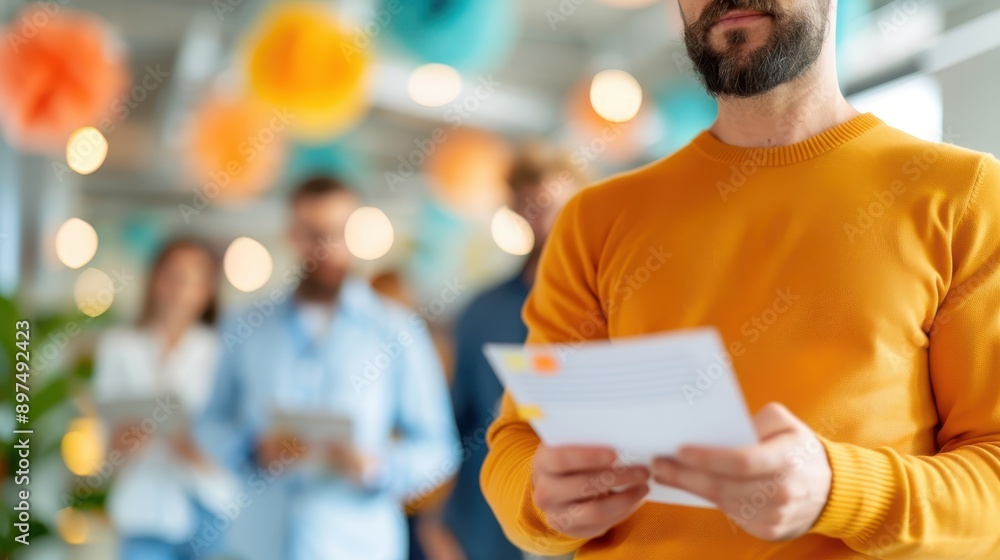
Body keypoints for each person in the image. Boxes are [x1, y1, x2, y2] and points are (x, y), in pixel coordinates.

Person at [481, 1, 1000, 558]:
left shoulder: (963, 197)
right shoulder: (594, 220)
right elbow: (519, 442)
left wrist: (837, 489)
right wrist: (542, 495)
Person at [198, 176, 460, 560]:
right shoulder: (245, 326)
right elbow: (209, 422)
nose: (326, 247)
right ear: (291, 234)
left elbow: (439, 449)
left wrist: (376, 466)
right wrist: (251, 449)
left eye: (338, 233)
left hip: (357, 544)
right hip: (258, 543)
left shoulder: (397, 330)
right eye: (313, 234)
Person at [444, 144, 584, 560]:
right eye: (531, 206)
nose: (544, 220)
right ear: (516, 212)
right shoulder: (480, 312)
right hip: (490, 522)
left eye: (556, 205)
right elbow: (456, 425)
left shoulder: (613, 300)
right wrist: (443, 523)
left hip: (590, 514)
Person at [93, 239, 235, 560]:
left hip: (210, 504)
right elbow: (103, 432)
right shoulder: (119, 345)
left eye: (192, 279)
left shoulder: (224, 350)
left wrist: (195, 447)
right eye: (171, 276)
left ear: (208, 290)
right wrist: (121, 443)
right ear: (154, 279)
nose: (179, 289)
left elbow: (236, 435)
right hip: (145, 507)